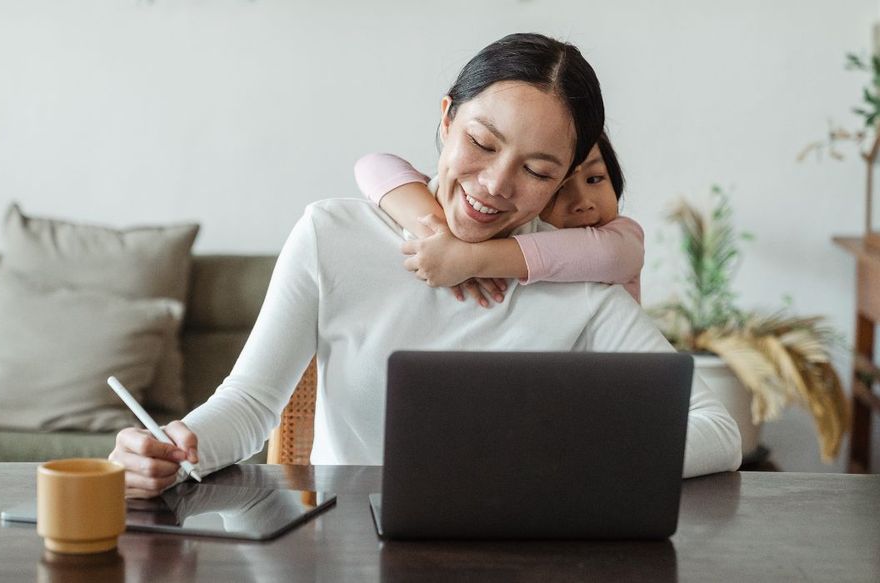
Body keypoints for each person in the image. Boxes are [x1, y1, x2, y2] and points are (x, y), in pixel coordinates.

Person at [110, 33, 742, 498]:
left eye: (538, 170)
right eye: (482, 143)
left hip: (520, 557)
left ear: (565, 180)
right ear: (445, 120)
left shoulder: (577, 281)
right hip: (349, 552)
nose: (495, 185)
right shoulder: (333, 236)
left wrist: (573, 458)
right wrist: (172, 446)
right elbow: (249, 407)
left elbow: (717, 430)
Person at [353, 131, 643, 306]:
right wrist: (439, 235)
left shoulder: (621, 237)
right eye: (559, 189)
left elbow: (608, 255)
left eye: (595, 178)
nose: (583, 203)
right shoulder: (515, 229)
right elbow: (374, 165)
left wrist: (469, 258)